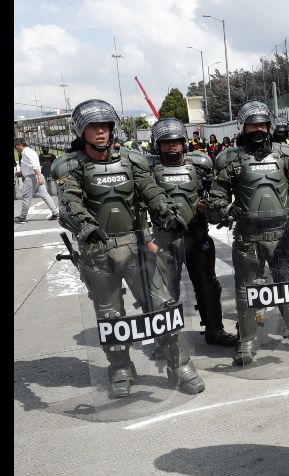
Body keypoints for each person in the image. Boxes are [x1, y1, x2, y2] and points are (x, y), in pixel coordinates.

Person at [50, 99, 204, 399]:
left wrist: (166, 210)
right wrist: (84, 224)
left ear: (113, 128)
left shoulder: (133, 160)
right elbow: (69, 203)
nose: (100, 132)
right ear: (81, 131)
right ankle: (120, 367)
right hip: (96, 249)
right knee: (110, 316)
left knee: (162, 306)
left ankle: (178, 363)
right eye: (93, 127)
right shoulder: (70, 165)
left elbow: (151, 190)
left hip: (137, 244)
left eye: (104, 126)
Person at [207, 101, 289, 365]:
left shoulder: (286, 155)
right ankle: (247, 341)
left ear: (269, 126)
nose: (259, 129)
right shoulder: (230, 159)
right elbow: (215, 200)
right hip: (248, 237)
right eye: (253, 125)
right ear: (243, 127)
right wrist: (226, 208)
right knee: (246, 291)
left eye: (263, 124)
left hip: (283, 234)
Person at [148, 118, 238, 347]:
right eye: (166, 142)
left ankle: (214, 329)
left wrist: (214, 209)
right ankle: (165, 342)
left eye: (176, 141)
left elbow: (216, 193)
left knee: (208, 286)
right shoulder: (148, 171)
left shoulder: (199, 164)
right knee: (165, 294)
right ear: (157, 144)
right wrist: (146, 239)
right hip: (165, 241)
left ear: (184, 142)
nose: (172, 146)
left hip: (198, 237)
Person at [14, 138, 59, 223]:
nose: (15, 149)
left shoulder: (26, 152)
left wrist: (39, 176)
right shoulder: (30, 151)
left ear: (19, 145)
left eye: (15, 147)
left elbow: (34, 165)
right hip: (35, 176)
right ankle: (56, 213)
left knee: (26, 197)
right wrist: (21, 172)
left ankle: (22, 217)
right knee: (45, 195)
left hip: (32, 177)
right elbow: (30, 165)